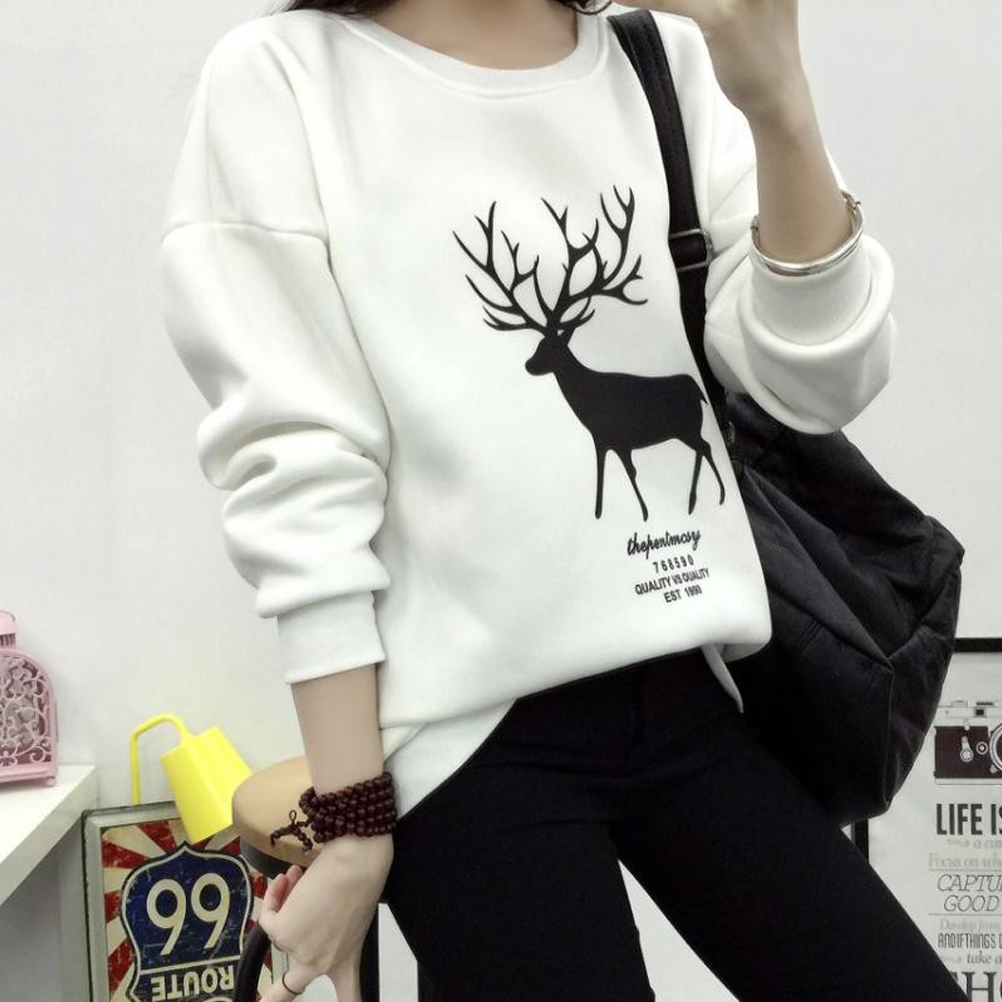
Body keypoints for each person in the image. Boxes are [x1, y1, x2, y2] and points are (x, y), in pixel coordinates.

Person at [157, 0, 965, 999]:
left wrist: (779, 104)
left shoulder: (661, 59)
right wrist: (355, 818)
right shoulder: (285, 79)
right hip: (465, 740)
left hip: (693, 692)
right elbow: (300, 469)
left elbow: (819, 384)